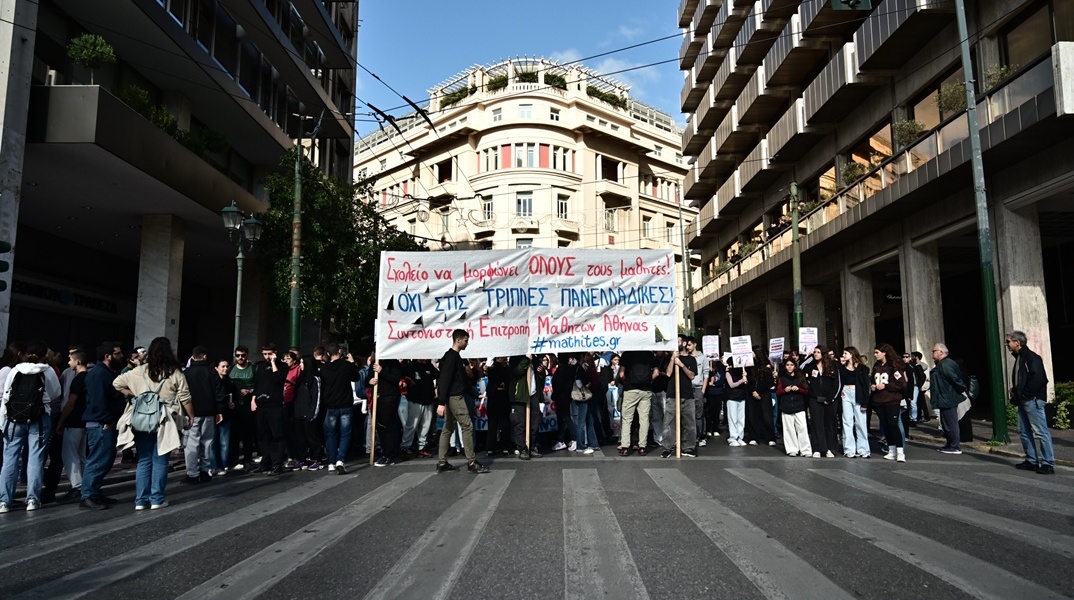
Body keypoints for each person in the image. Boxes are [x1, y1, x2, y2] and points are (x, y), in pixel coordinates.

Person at [113, 337, 194, 510]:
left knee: (144, 459)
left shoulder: (139, 371)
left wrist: (133, 395)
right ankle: (157, 498)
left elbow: (117, 383)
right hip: (165, 420)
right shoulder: (175, 372)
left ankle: (141, 501)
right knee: (160, 459)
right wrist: (191, 416)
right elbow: (185, 396)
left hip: (141, 419)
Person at [0, 340, 62, 513]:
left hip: (14, 419)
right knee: (36, 458)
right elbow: (56, 393)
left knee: (10, 459)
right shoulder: (47, 370)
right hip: (40, 418)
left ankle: (4, 501)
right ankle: (33, 499)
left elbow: (6, 395)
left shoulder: (15, 370)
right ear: (43, 356)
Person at [79, 341, 126, 510]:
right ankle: (87, 495)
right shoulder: (99, 374)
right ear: (108, 356)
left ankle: (94, 491)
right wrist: (107, 420)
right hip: (101, 424)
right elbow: (98, 401)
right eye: (118, 353)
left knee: (105, 459)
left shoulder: (107, 373)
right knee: (98, 459)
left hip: (106, 423)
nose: (121, 356)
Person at [435, 330, 489, 474]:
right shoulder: (452, 358)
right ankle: (471, 461)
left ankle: (442, 462)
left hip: (452, 397)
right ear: (458, 340)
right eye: (466, 340)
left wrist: (474, 393)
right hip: (455, 398)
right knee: (467, 426)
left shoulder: (453, 357)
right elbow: (444, 380)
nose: (467, 343)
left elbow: (462, 380)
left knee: (448, 428)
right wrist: (441, 402)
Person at [1006, 331, 1054, 474]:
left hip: (1032, 400)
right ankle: (1032, 460)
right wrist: (1017, 390)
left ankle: (1047, 462)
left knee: (1040, 431)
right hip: (1024, 399)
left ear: (1018, 343)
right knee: (1024, 431)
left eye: (1009, 341)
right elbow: (1025, 378)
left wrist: (1025, 394)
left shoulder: (1031, 358)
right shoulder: (1021, 358)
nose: (1007, 344)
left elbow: (1039, 379)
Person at [181, 346, 226, 484]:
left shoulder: (186, 373)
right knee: (207, 443)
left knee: (191, 443)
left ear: (193, 357)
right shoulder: (212, 372)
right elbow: (219, 393)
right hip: (209, 412)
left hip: (192, 413)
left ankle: (192, 473)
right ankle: (205, 471)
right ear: (205, 356)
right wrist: (220, 410)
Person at [319, 343, 362, 473]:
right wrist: (352, 363)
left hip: (331, 404)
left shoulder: (324, 368)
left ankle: (331, 461)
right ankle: (340, 459)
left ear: (327, 354)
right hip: (345, 403)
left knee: (331, 434)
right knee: (345, 433)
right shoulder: (346, 366)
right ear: (340, 351)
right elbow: (356, 377)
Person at [54, 349, 89, 503]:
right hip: (85, 421)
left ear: (78, 362)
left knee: (69, 455)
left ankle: (77, 486)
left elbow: (71, 402)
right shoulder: (90, 377)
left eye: (70, 359)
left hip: (74, 421)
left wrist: (62, 420)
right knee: (81, 455)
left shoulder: (78, 379)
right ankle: (86, 484)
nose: (68, 362)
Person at [251, 343, 288, 475]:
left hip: (275, 405)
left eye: (269, 354)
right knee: (262, 436)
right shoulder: (260, 367)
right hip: (261, 405)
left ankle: (277, 463)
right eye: (265, 354)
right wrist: (253, 399)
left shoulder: (282, 366)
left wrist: (273, 362)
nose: (267, 356)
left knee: (277, 435)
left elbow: (278, 379)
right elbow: (257, 384)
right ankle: (265, 462)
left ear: (275, 353)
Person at [871, 344, 908, 462]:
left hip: (892, 400)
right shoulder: (876, 366)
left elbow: (901, 383)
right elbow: (872, 378)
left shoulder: (893, 367)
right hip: (879, 400)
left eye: (877, 352)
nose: (875, 355)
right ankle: (891, 449)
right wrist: (873, 386)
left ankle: (900, 451)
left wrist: (886, 386)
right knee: (885, 426)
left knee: (893, 424)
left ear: (884, 353)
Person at [660, 343, 697, 458]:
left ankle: (688, 448)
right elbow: (668, 373)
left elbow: (691, 376)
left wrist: (681, 365)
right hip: (672, 395)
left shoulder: (691, 359)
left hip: (687, 395)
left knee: (689, 424)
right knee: (669, 423)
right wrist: (672, 359)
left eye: (679, 341)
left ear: (684, 343)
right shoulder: (669, 358)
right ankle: (667, 448)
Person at [929, 343, 966, 455]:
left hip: (947, 397)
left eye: (934, 350)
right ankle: (950, 444)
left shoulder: (945, 365)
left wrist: (961, 389)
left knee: (950, 423)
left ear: (941, 352)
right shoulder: (942, 364)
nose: (932, 353)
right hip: (944, 396)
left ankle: (955, 446)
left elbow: (955, 379)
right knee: (946, 423)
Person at [617, 350, 655, 456]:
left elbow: (621, 374)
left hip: (630, 390)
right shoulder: (649, 354)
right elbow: (656, 373)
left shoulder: (627, 354)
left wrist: (627, 381)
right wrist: (648, 381)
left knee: (627, 419)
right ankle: (642, 446)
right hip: (646, 390)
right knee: (644, 419)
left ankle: (625, 446)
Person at [806, 346, 839, 458]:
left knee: (829, 423)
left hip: (829, 399)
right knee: (816, 423)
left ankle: (829, 448)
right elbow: (800, 368)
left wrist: (830, 398)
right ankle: (817, 448)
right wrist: (808, 357)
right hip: (815, 398)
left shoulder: (833, 365)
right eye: (814, 352)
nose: (815, 354)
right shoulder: (811, 366)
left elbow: (837, 384)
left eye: (818, 352)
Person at [370, 357, 404, 467]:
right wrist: (369, 381)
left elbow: (396, 379)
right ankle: (384, 452)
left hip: (389, 397)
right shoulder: (375, 362)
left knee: (388, 426)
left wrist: (382, 371)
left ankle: (390, 454)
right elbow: (368, 378)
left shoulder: (393, 363)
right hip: (377, 398)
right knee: (380, 427)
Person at [838, 347, 871, 458]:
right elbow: (839, 382)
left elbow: (866, 386)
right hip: (846, 392)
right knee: (847, 421)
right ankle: (849, 449)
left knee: (860, 422)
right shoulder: (842, 368)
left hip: (858, 393)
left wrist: (865, 403)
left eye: (846, 353)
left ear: (852, 354)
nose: (844, 355)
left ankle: (863, 449)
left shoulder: (862, 369)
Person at [228, 346, 256, 471]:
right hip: (234, 408)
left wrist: (250, 391)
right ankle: (232, 460)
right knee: (233, 437)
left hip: (248, 407)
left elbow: (259, 385)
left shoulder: (253, 369)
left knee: (247, 436)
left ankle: (247, 460)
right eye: (238, 355)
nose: (240, 358)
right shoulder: (230, 369)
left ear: (247, 355)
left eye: (243, 355)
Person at [402, 359, 437, 458]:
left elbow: (437, 374)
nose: (425, 359)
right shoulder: (410, 365)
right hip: (415, 399)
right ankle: (406, 446)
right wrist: (407, 379)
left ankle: (422, 447)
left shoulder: (429, 366)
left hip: (428, 399)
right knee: (412, 424)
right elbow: (400, 374)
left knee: (426, 425)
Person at [509, 354, 542, 459]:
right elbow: (517, 372)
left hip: (533, 394)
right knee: (520, 423)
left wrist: (541, 372)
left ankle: (532, 447)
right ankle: (522, 448)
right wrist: (526, 359)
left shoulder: (535, 360)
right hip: (520, 396)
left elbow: (540, 376)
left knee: (534, 424)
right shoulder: (515, 358)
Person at [777, 358, 811, 457]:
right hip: (786, 406)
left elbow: (806, 391)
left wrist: (798, 389)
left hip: (799, 405)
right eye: (787, 365)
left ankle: (805, 450)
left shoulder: (800, 377)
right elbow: (778, 392)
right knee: (788, 429)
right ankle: (792, 449)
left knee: (802, 428)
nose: (789, 367)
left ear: (795, 366)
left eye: (791, 365)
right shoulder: (782, 378)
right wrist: (784, 390)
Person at [211, 359, 236, 475]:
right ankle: (213, 465)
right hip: (214, 414)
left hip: (226, 414)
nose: (225, 369)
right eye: (223, 366)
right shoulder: (212, 381)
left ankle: (222, 465)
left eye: (227, 366)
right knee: (212, 442)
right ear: (216, 368)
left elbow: (234, 397)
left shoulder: (230, 382)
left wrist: (233, 403)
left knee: (224, 442)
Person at [747, 351, 776, 446]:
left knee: (767, 416)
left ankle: (770, 437)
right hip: (752, 393)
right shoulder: (749, 366)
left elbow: (769, 382)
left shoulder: (767, 367)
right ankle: (753, 436)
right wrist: (753, 391)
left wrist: (758, 391)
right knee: (752, 415)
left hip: (764, 393)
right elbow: (749, 381)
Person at [724, 357, 749, 446]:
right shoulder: (728, 373)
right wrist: (741, 381)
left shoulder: (742, 372)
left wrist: (745, 378)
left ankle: (740, 437)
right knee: (733, 419)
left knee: (741, 419)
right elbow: (731, 385)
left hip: (741, 397)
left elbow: (746, 384)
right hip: (732, 398)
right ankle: (733, 437)